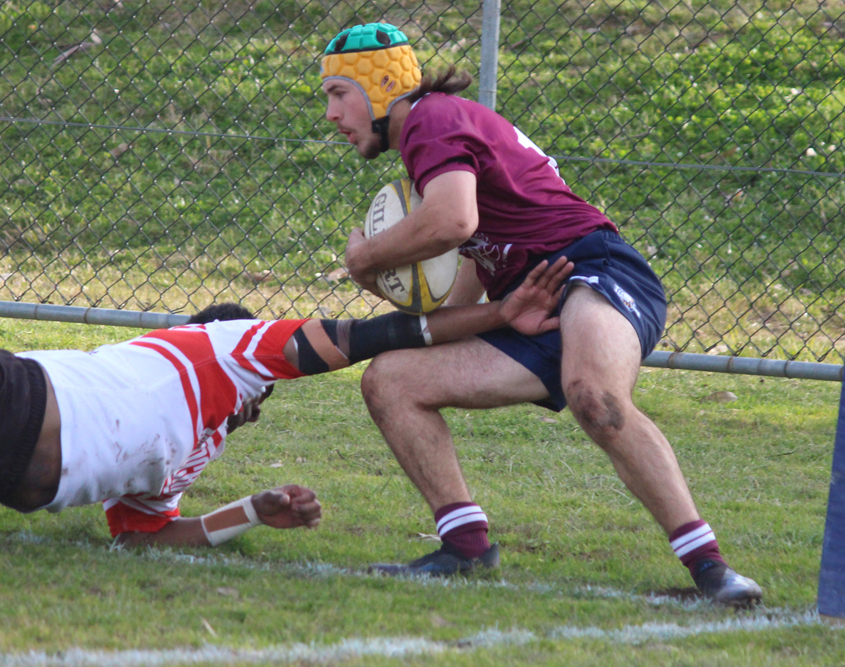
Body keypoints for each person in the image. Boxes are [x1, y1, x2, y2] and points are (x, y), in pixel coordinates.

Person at [320, 22, 762, 605]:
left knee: (593, 395)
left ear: (381, 87)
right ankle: (465, 547)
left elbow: (453, 222)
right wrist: (393, 289)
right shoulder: (435, 144)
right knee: (392, 380)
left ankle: (713, 570)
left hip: (593, 270)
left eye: (338, 93)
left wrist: (364, 258)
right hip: (531, 305)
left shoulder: (432, 118)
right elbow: (459, 294)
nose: (331, 114)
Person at [0, 258, 573, 547]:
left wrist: (251, 512)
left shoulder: (190, 451)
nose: (262, 403)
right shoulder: (226, 347)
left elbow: (142, 535)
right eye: (265, 387)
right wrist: (496, 315)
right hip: (20, 399)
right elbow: (365, 337)